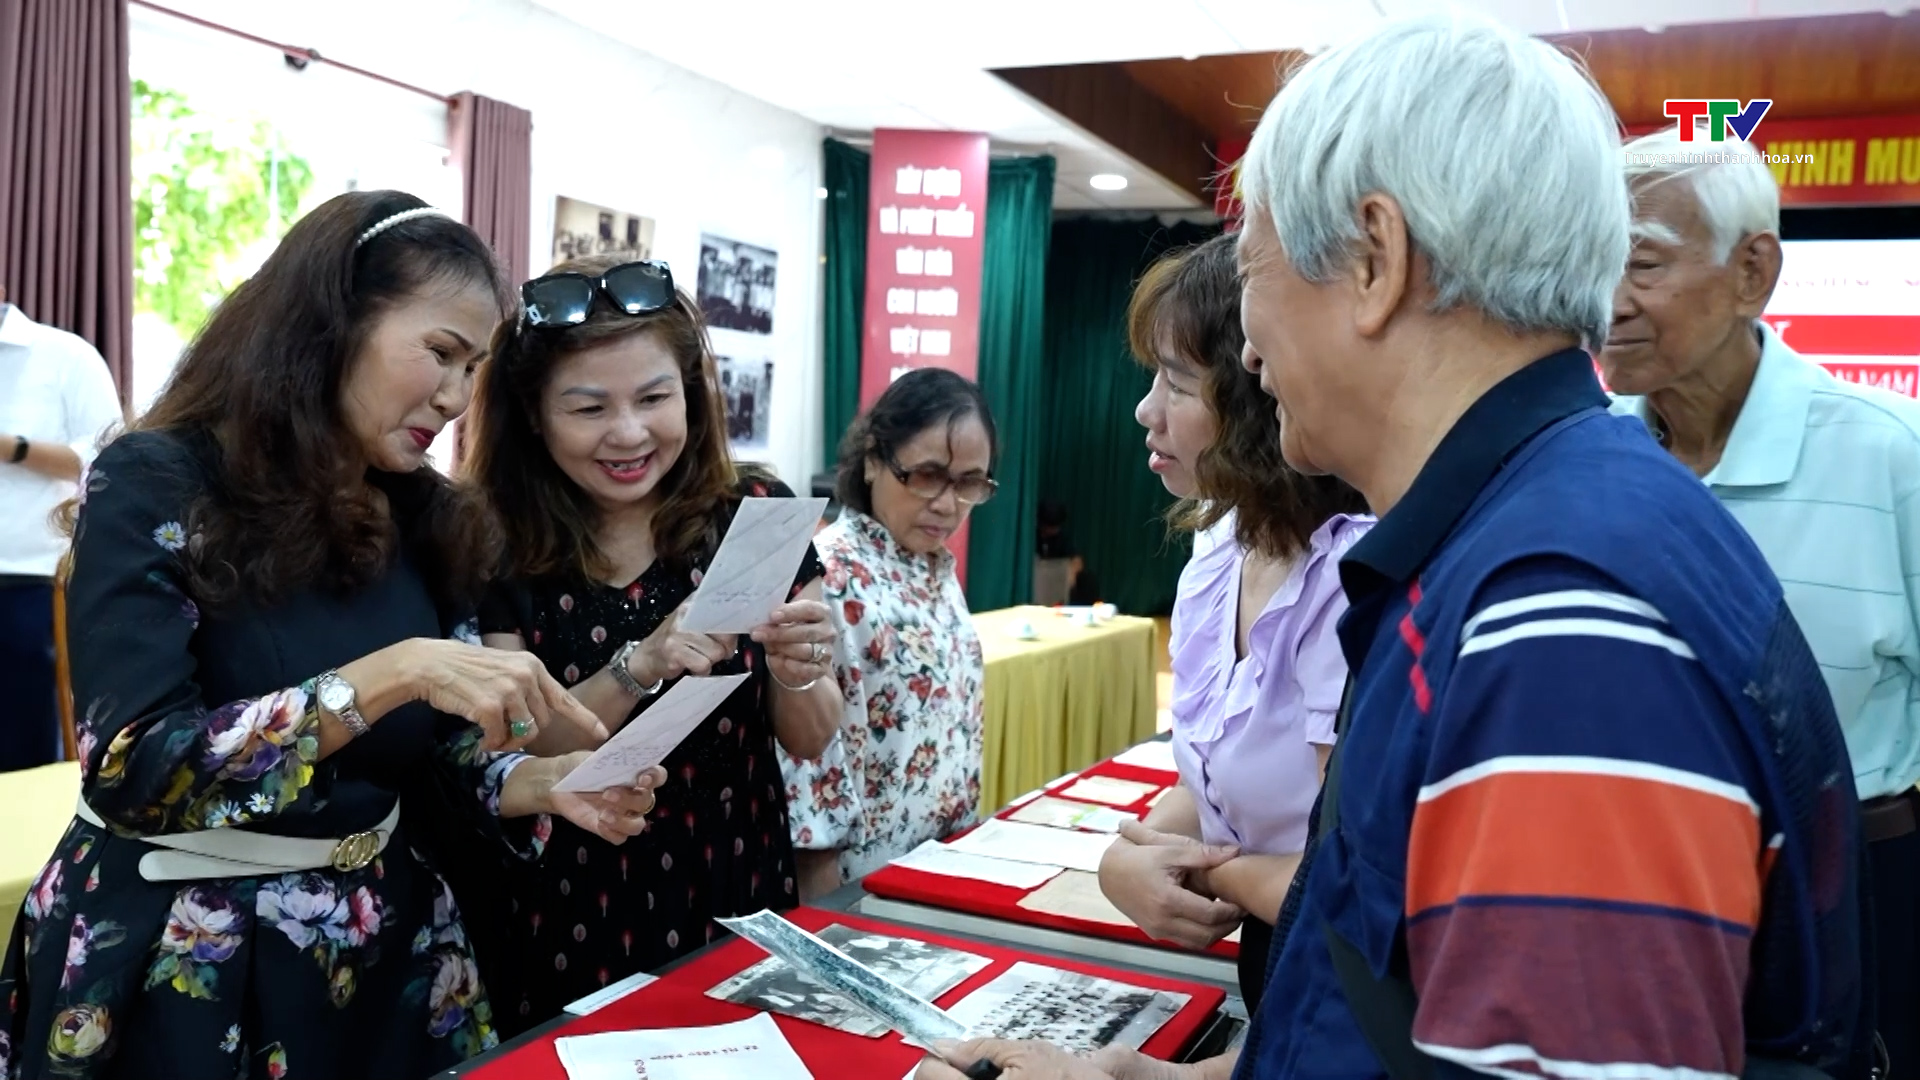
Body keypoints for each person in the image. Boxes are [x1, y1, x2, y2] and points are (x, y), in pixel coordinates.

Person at [917, 12, 1873, 1080]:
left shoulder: (1558, 614)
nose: (1254, 338)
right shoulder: (1521, 541)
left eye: (1257, 267)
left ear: (1375, 259)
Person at [0, 191, 663, 1080]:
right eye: (439, 353)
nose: (456, 397)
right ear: (334, 316)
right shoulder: (158, 481)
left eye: (474, 370)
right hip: (186, 959)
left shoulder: (431, 519)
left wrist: (534, 782)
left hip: (386, 954)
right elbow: (136, 769)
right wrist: (386, 675)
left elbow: (442, 759)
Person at [1604, 123, 1916, 1075]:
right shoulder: (1590, 455)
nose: (1604, 301)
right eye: (1590, 263)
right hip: (1632, 885)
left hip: (1856, 892)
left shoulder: (1888, 454)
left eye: (1643, 265)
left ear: (1752, 273)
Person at [463, 254, 842, 1034]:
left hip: (739, 879)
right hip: (570, 905)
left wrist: (799, 668)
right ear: (534, 414)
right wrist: (642, 664)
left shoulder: (754, 514)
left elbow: (810, 738)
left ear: (692, 397)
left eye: (653, 397)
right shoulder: (499, 545)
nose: (629, 433)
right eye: (589, 408)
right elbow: (519, 742)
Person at [1096, 234, 1370, 1011]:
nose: (1147, 410)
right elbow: (1210, 779)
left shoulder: (1353, 574)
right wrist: (1137, 850)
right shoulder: (1222, 548)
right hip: (1268, 945)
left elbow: (1347, 875)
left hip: (1340, 976)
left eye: (1178, 384)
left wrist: (1195, 869)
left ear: (1259, 395)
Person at [782, 367, 996, 898]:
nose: (948, 504)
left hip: (939, 870)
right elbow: (810, 766)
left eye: (969, 483)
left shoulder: (933, 569)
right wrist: (828, 918)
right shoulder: (827, 574)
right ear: (874, 460)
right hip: (866, 890)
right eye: (926, 475)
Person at [0, 288, 123, 772]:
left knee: (23, 759)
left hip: (29, 586)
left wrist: (11, 447)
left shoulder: (64, 357)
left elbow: (111, 460)